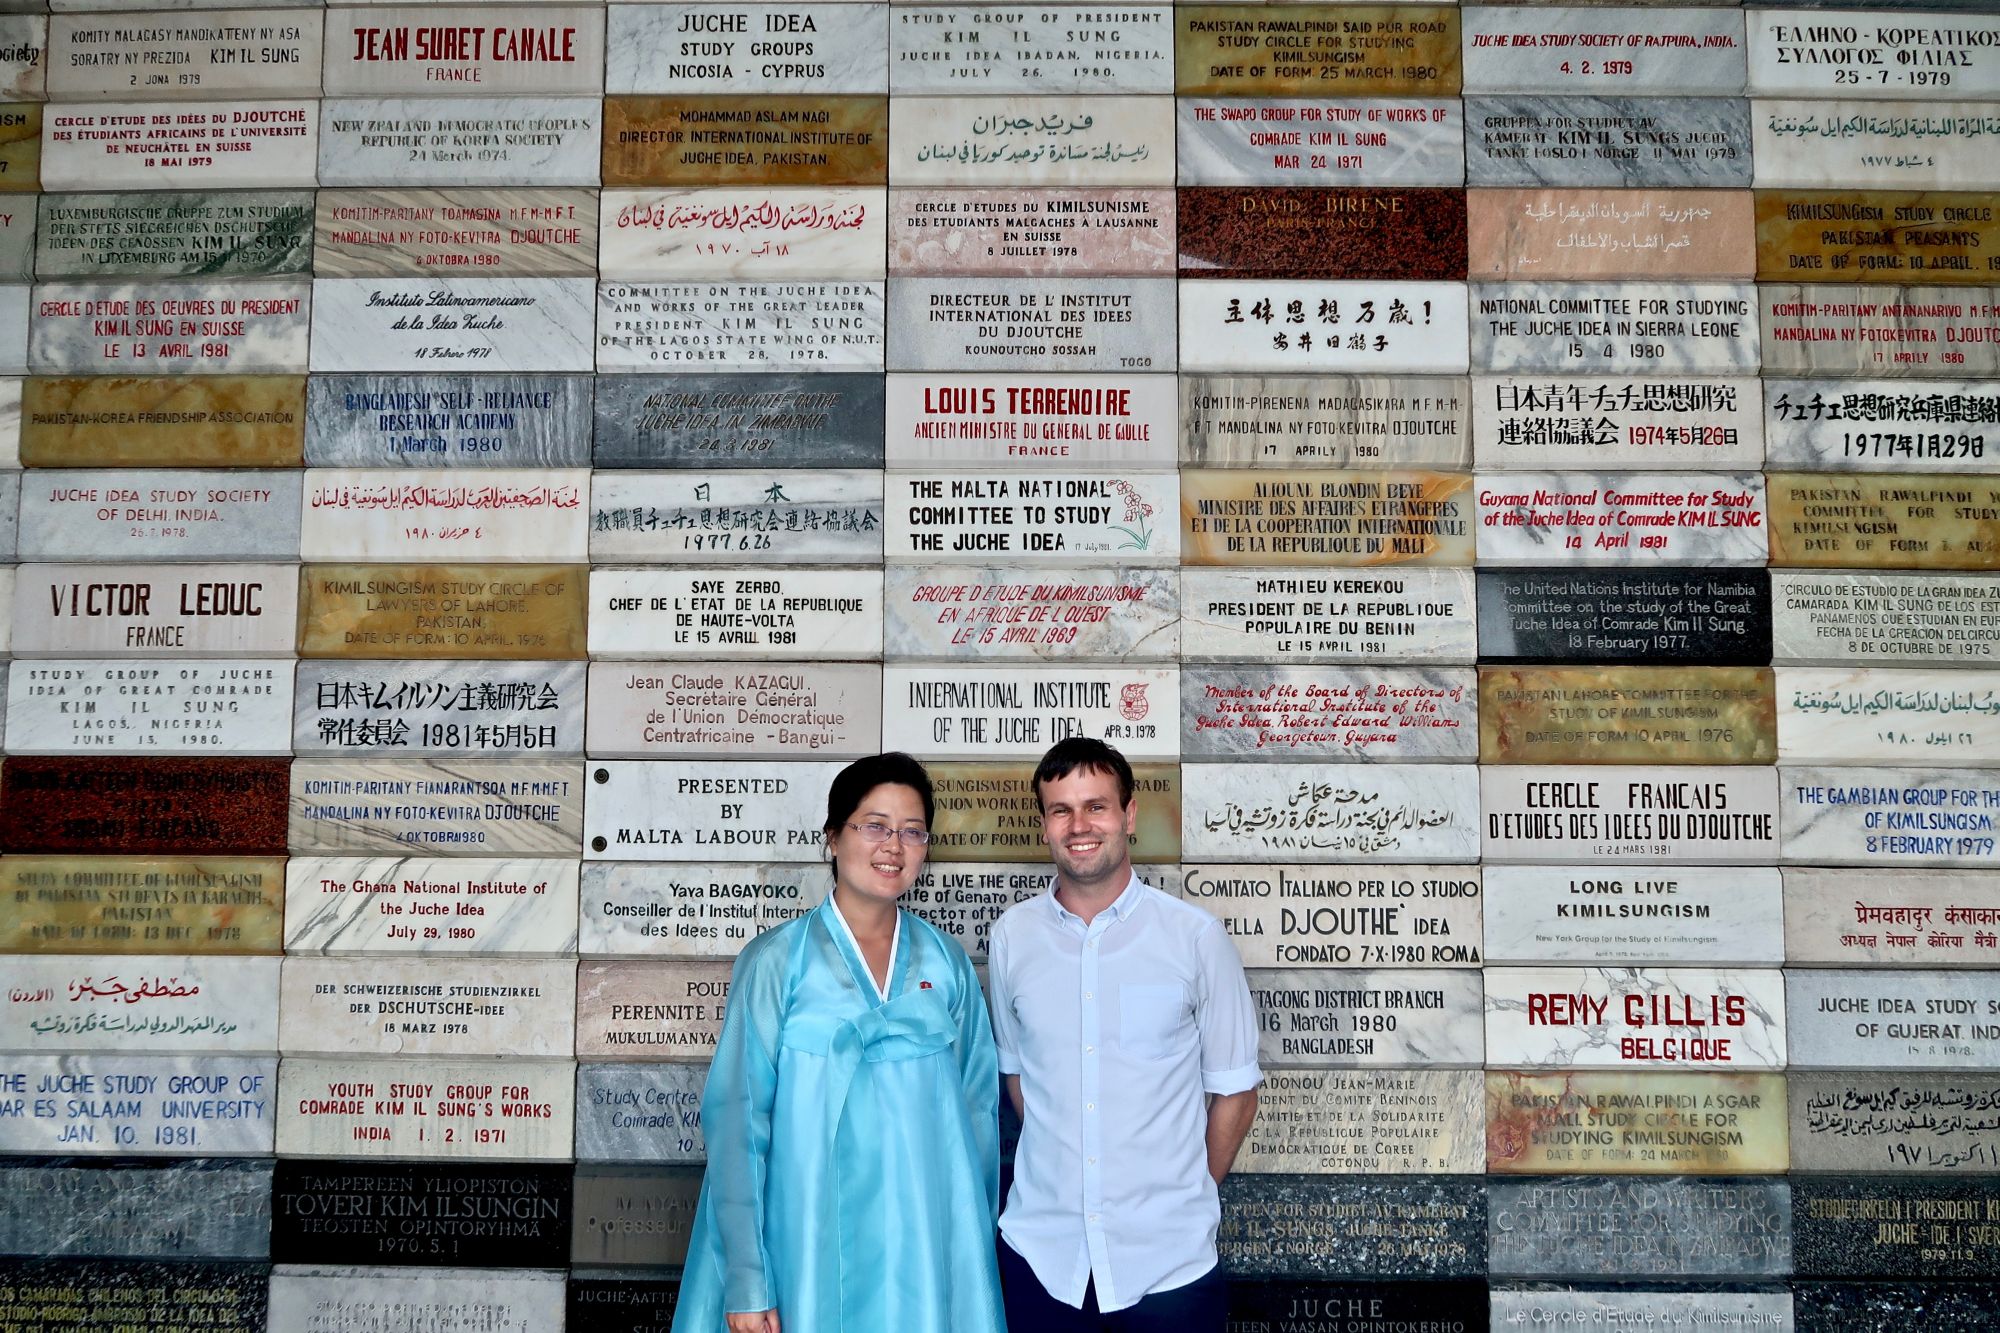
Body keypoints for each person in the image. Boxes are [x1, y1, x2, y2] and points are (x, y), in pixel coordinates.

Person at [672, 753, 1006, 1333]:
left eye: (912, 832)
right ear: (832, 837)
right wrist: (749, 1277)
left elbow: (977, 1119)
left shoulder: (947, 964)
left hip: (918, 1248)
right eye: (874, 825)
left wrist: (966, 1249)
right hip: (803, 1237)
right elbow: (736, 1120)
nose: (893, 847)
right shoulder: (779, 961)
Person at [988, 737, 1262, 1331]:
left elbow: (1236, 1092)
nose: (1079, 825)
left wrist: (1181, 1192)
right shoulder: (1013, 937)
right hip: (1041, 1260)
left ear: (1129, 815)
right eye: (1061, 809)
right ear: (1044, 825)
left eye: (1096, 806)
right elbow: (1018, 1079)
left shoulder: (1194, 939)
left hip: (1169, 1267)